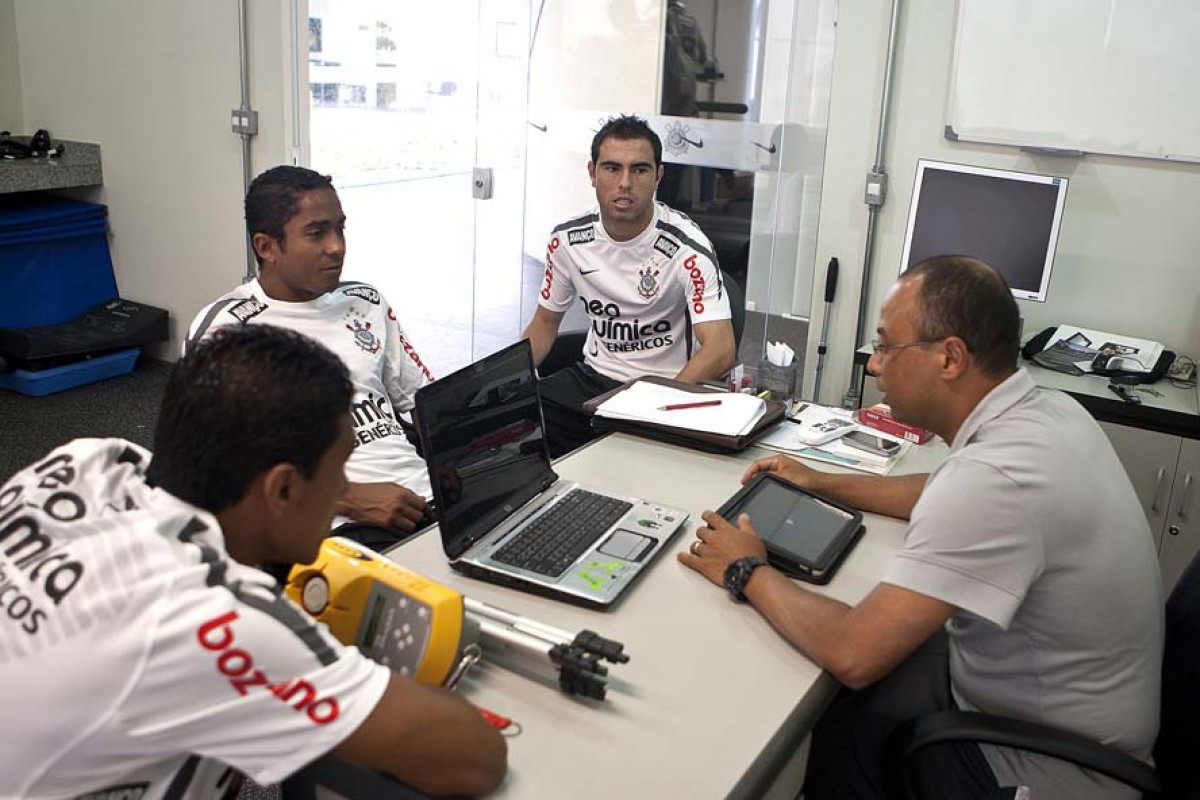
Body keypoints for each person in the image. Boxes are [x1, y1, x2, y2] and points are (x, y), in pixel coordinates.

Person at [679, 256, 1163, 799]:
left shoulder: (997, 478)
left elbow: (854, 653)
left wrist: (746, 568)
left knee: (819, 734)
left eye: (887, 346)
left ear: (950, 357)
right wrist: (821, 482)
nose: (873, 365)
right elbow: (941, 490)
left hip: (1042, 771)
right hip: (1058, 718)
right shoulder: (1051, 412)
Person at [0, 325, 506, 799]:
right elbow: (475, 758)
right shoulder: (215, 621)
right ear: (283, 488)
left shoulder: (89, 461)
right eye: (340, 471)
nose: (343, 493)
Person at [188, 166, 434, 547]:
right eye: (317, 233)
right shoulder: (228, 330)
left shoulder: (364, 301)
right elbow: (213, 464)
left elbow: (422, 403)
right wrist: (349, 497)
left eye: (340, 228)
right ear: (267, 247)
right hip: (339, 527)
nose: (337, 246)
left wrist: (468, 457)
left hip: (428, 497)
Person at [521, 114, 737, 457]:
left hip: (663, 384)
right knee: (508, 428)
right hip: (593, 380)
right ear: (592, 173)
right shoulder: (567, 241)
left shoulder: (687, 248)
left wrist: (660, 399)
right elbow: (545, 323)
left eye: (639, 169)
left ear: (658, 176)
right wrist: (507, 383)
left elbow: (721, 347)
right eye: (611, 168)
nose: (625, 182)